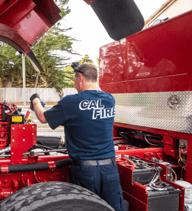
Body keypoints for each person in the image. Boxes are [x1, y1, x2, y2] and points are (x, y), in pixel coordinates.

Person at [30, 63, 126, 211]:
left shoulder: (71, 102)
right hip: (110, 170)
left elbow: (43, 117)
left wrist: (35, 100)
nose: (75, 85)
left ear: (80, 77)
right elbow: (96, 89)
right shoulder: (109, 99)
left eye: (75, 80)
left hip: (86, 172)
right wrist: (88, 71)